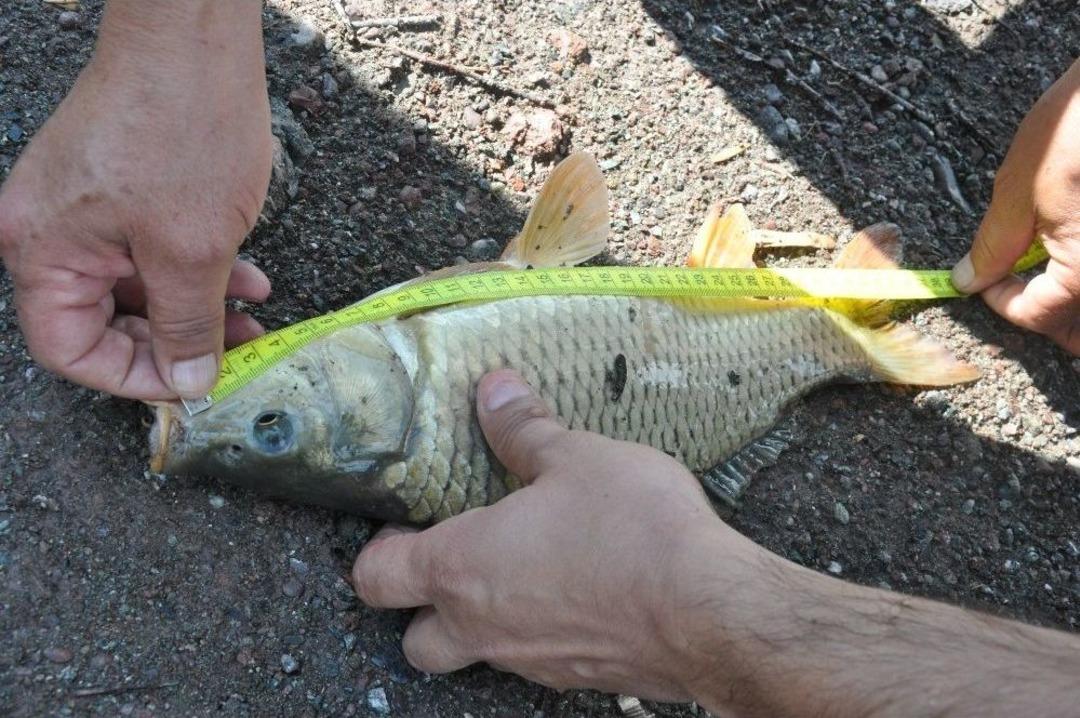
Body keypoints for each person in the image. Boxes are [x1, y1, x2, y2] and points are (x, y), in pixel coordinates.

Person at [0, 2, 1077, 714]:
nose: (249, 404)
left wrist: (695, 615)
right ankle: (837, 333)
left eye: (272, 420)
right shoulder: (412, 392)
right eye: (270, 426)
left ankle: (837, 332)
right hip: (688, 381)